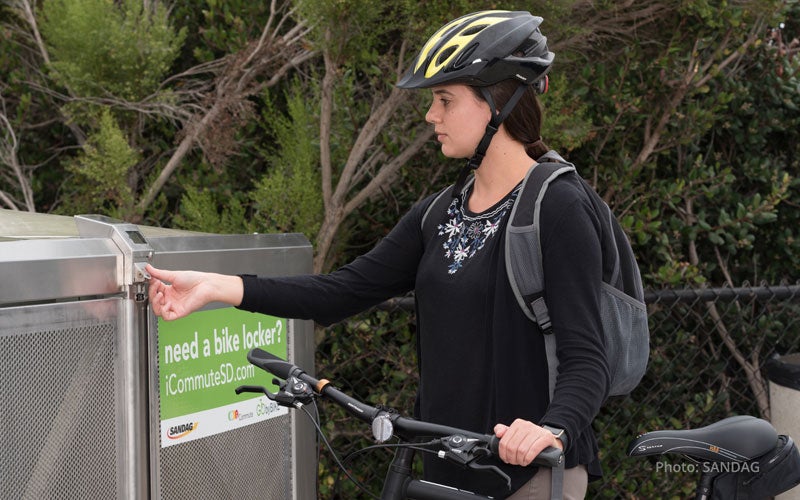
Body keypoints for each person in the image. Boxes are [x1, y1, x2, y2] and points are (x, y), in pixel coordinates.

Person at [148, 10, 608, 499]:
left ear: (496, 102)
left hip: (527, 475)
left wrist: (550, 430)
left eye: (445, 100)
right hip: (440, 467)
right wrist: (217, 287)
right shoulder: (439, 212)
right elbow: (340, 292)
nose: (431, 115)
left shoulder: (557, 207)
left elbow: (587, 357)